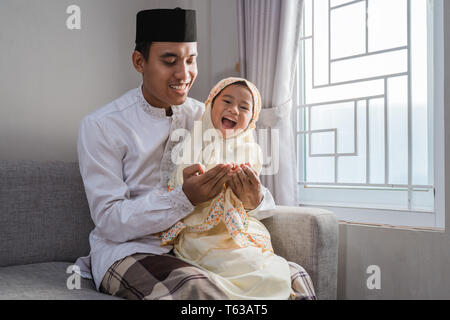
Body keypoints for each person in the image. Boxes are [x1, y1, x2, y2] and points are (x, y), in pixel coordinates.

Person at [74, 8, 314, 300]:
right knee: (195, 287)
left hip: (207, 247)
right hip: (132, 249)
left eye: (191, 60)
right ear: (139, 61)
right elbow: (110, 220)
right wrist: (183, 198)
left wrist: (255, 200)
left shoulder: (210, 114)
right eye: (169, 60)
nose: (184, 74)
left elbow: (251, 186)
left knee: (293, 277)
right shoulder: (102, 126)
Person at [158, 77, 315, 300]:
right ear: (212, 104)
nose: (234, 110)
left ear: (252, 118)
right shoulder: (193, 142)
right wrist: (195, 187)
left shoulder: (251, 151)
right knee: (238, 266)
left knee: (266, 266)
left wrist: (248, 197)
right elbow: (176, 184)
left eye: (244, 107)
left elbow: (253, 200)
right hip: (201, 232)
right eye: (227, 101)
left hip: (238, 228)